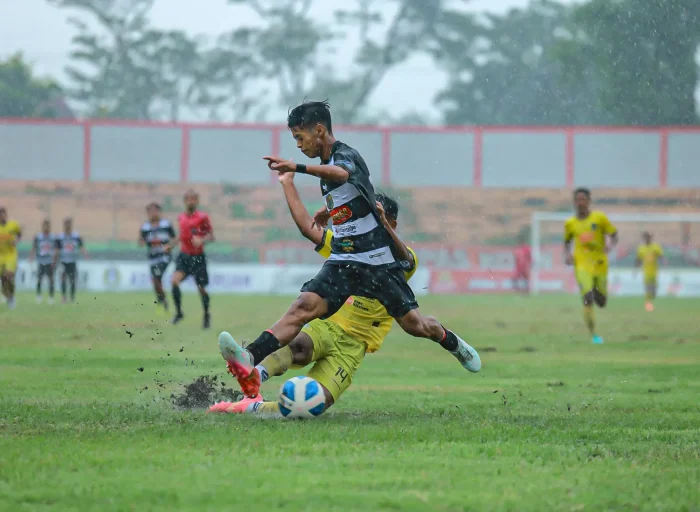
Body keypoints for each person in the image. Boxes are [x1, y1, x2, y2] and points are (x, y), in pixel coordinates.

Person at [217, 100, 480, 400]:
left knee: (415, 325)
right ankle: (248, 358)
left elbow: (343, 175)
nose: (299, 145)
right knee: (303, 306)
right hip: (343, 261)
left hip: (376, 262)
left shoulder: (345, 156)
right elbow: (351, 196)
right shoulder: (328, 170)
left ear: (319, 130)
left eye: (300, 138)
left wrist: (297, 168)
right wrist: (326, 213)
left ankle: (451, 341)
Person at [210, 173, 420, 414]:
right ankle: (254, 375)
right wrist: (287, 183)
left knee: (311, 405)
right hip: (327, 326)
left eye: (378, 220)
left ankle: (249, 407)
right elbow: (307, 228)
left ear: (391, 224)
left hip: (354, 347)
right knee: (299, 346)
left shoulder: (404, 260)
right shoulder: (348, 248)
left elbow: (405, 259)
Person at [564, 188, 618, 344]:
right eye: (578, 200)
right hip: (581, 265)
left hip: (600, 264)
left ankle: (596, 293)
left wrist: (610, 245)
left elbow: (614, 234)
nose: (580, 202)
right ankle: (594, 334)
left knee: (601, 302)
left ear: (589, 201)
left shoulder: (599, 218)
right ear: (574, 202)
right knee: (587, 298)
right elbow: (567, 241)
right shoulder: (570, 223)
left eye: (583, 199)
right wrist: (567, 254)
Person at [165, 190, 214, 329]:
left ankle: (206, 315)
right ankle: (179, 312)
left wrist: (202, 239)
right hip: (184, 256)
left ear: (197, 201)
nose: (190, 202)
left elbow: (211, 236)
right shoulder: (181, 218)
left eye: (193, 199)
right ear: (184, 201)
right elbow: (181, 235)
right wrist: (171, 245)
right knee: (174, 282)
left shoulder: (203, 218)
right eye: (188, 199)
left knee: (202, 289)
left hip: (198, 257)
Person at [139, 203, 177, 315]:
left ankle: (163, 301)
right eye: (150, 211)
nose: (153, 214)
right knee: (156, 282)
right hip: (152, 257)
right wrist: (144, 242)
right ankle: (162, 301)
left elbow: (174, 239)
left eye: (155, 211)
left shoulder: (166, 224)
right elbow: (141, 240)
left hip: (164, 257)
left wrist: (169, 246)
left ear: (159, 212)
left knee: (156, 278)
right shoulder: (145, 227)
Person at [55, 218, 87, 303]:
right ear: (64, 226)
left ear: (71, 225)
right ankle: (63, 297)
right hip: (63, 261)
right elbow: (57, 250)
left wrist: (85, 254)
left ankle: (72, 297)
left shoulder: (76, 236)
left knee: (73, 279)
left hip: (72, 261)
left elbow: (81, 247)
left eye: (69, 224)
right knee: (63, 279)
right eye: (66, 224)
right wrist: (55, 260)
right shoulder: (60, 237)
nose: (67, 226)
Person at [29, 219, 57, 304]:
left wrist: (55, 260)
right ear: (42, 226)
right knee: (39, 279)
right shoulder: (38, 237)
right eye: (45, 225)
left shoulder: (53, 237)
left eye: (48, 225)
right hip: (40, 261)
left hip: (49, 261)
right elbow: (34, 247)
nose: (46, 227)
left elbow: (56, 249)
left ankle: (51, 297)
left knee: (51, 279)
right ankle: (38, 296)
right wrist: (31, 256)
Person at [635, 232, 664, 312]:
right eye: (646, 238)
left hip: (654, 272)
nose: (647, 239)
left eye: (649, 237)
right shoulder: (641, 249)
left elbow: (660, 255)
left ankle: (650, 301)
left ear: (651, 238)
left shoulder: (655, 247)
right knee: (648, 290)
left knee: (654, 292)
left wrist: (663, 261)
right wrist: (636, 269)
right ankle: (648, 306)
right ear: (644, 239)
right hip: (646, 272)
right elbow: (638, 259)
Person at [0, 207, 22, 310]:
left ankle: (11, 297)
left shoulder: (13, 225)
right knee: (3, 279)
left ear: (6, 215)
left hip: (11, 255)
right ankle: (7, 295)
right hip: (1, 256)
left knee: (8, 275)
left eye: (3, 214)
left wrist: (16, 240)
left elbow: (19, 233)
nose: (2, 216)